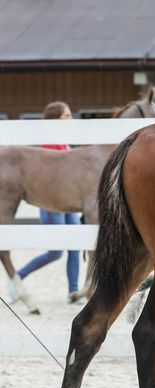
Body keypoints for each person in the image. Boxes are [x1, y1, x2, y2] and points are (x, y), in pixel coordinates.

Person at [15, 101, 82, 304]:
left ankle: (73, 291)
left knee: (76, 245)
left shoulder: (64, 142)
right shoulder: (50, 143)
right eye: (67, 116)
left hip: (68, 200)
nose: (71, 119)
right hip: (52, 202)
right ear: (56, 119)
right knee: (55, 252)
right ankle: (18, 276)